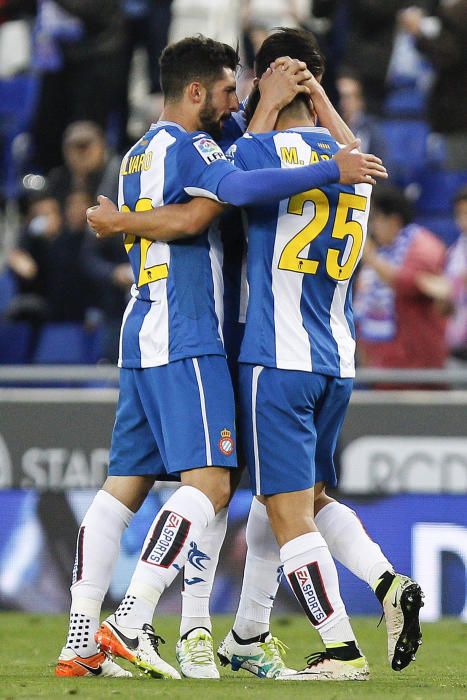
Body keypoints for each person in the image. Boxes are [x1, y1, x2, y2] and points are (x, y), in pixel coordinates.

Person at [88, 29, 423, 683]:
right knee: (307, 495)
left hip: (270, 355)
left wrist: (269, 102)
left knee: (260, 502)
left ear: (267, 80)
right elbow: (341, 149)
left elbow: (235, 181)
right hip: (338, 357)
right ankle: (331, 601)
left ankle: (330, 646)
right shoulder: (356, 157)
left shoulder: (261, 151)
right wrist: (313, 90)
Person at [354, 185, 448, 375]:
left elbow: (409, 284)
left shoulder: (423, 245)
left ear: (394, 220)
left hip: (417, 365)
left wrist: (371, 258)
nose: (372, 227)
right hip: (380, 366)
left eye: (375, 219)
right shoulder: (381, 252)